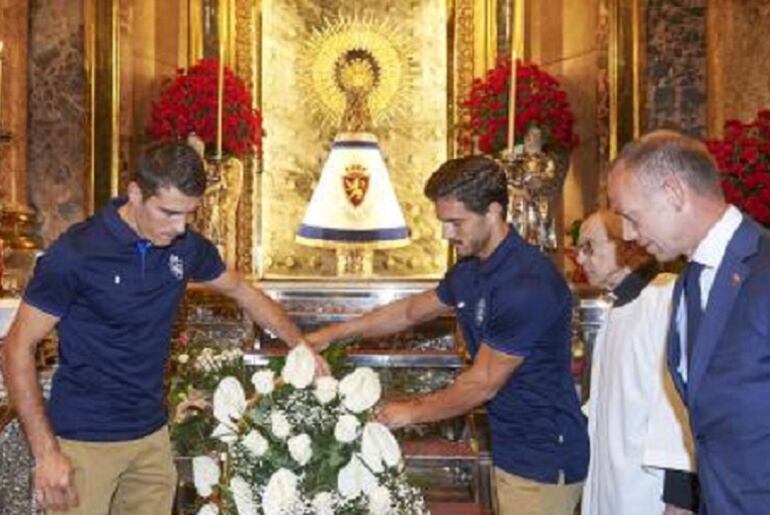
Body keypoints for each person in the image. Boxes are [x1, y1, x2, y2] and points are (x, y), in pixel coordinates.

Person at [0, 142, 318, 515]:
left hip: (151, 438)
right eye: (168, 212)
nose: (180, 226)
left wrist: (302, 349)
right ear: (135, 193)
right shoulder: (75, 255)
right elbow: (16, 347)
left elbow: (243, 292)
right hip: (84, 441)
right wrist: (46, 453)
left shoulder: (186, 247)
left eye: (189, 214)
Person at [307, 155, 588, 515]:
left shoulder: (527, 285)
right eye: (443, 222)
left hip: (543, 454)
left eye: (457, 223)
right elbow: (409, 311)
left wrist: (406, 413)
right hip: (509, 444)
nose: (447, 234)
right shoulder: (471, 268)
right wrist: (333, 334)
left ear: (494, 211)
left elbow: (481, 384)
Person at [608, 129, 770, 514]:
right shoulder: (687, 283)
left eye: (631, 216)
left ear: (675, 193)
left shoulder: (764, 268)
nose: (629, 235)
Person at [576, 210, 698, 515]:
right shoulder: (618, 308)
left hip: (647, 492)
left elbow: (676, 411)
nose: (580, 259)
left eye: (589, 247)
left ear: (629, 245)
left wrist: (680, 500)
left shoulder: (665, 299)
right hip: (613, 483)